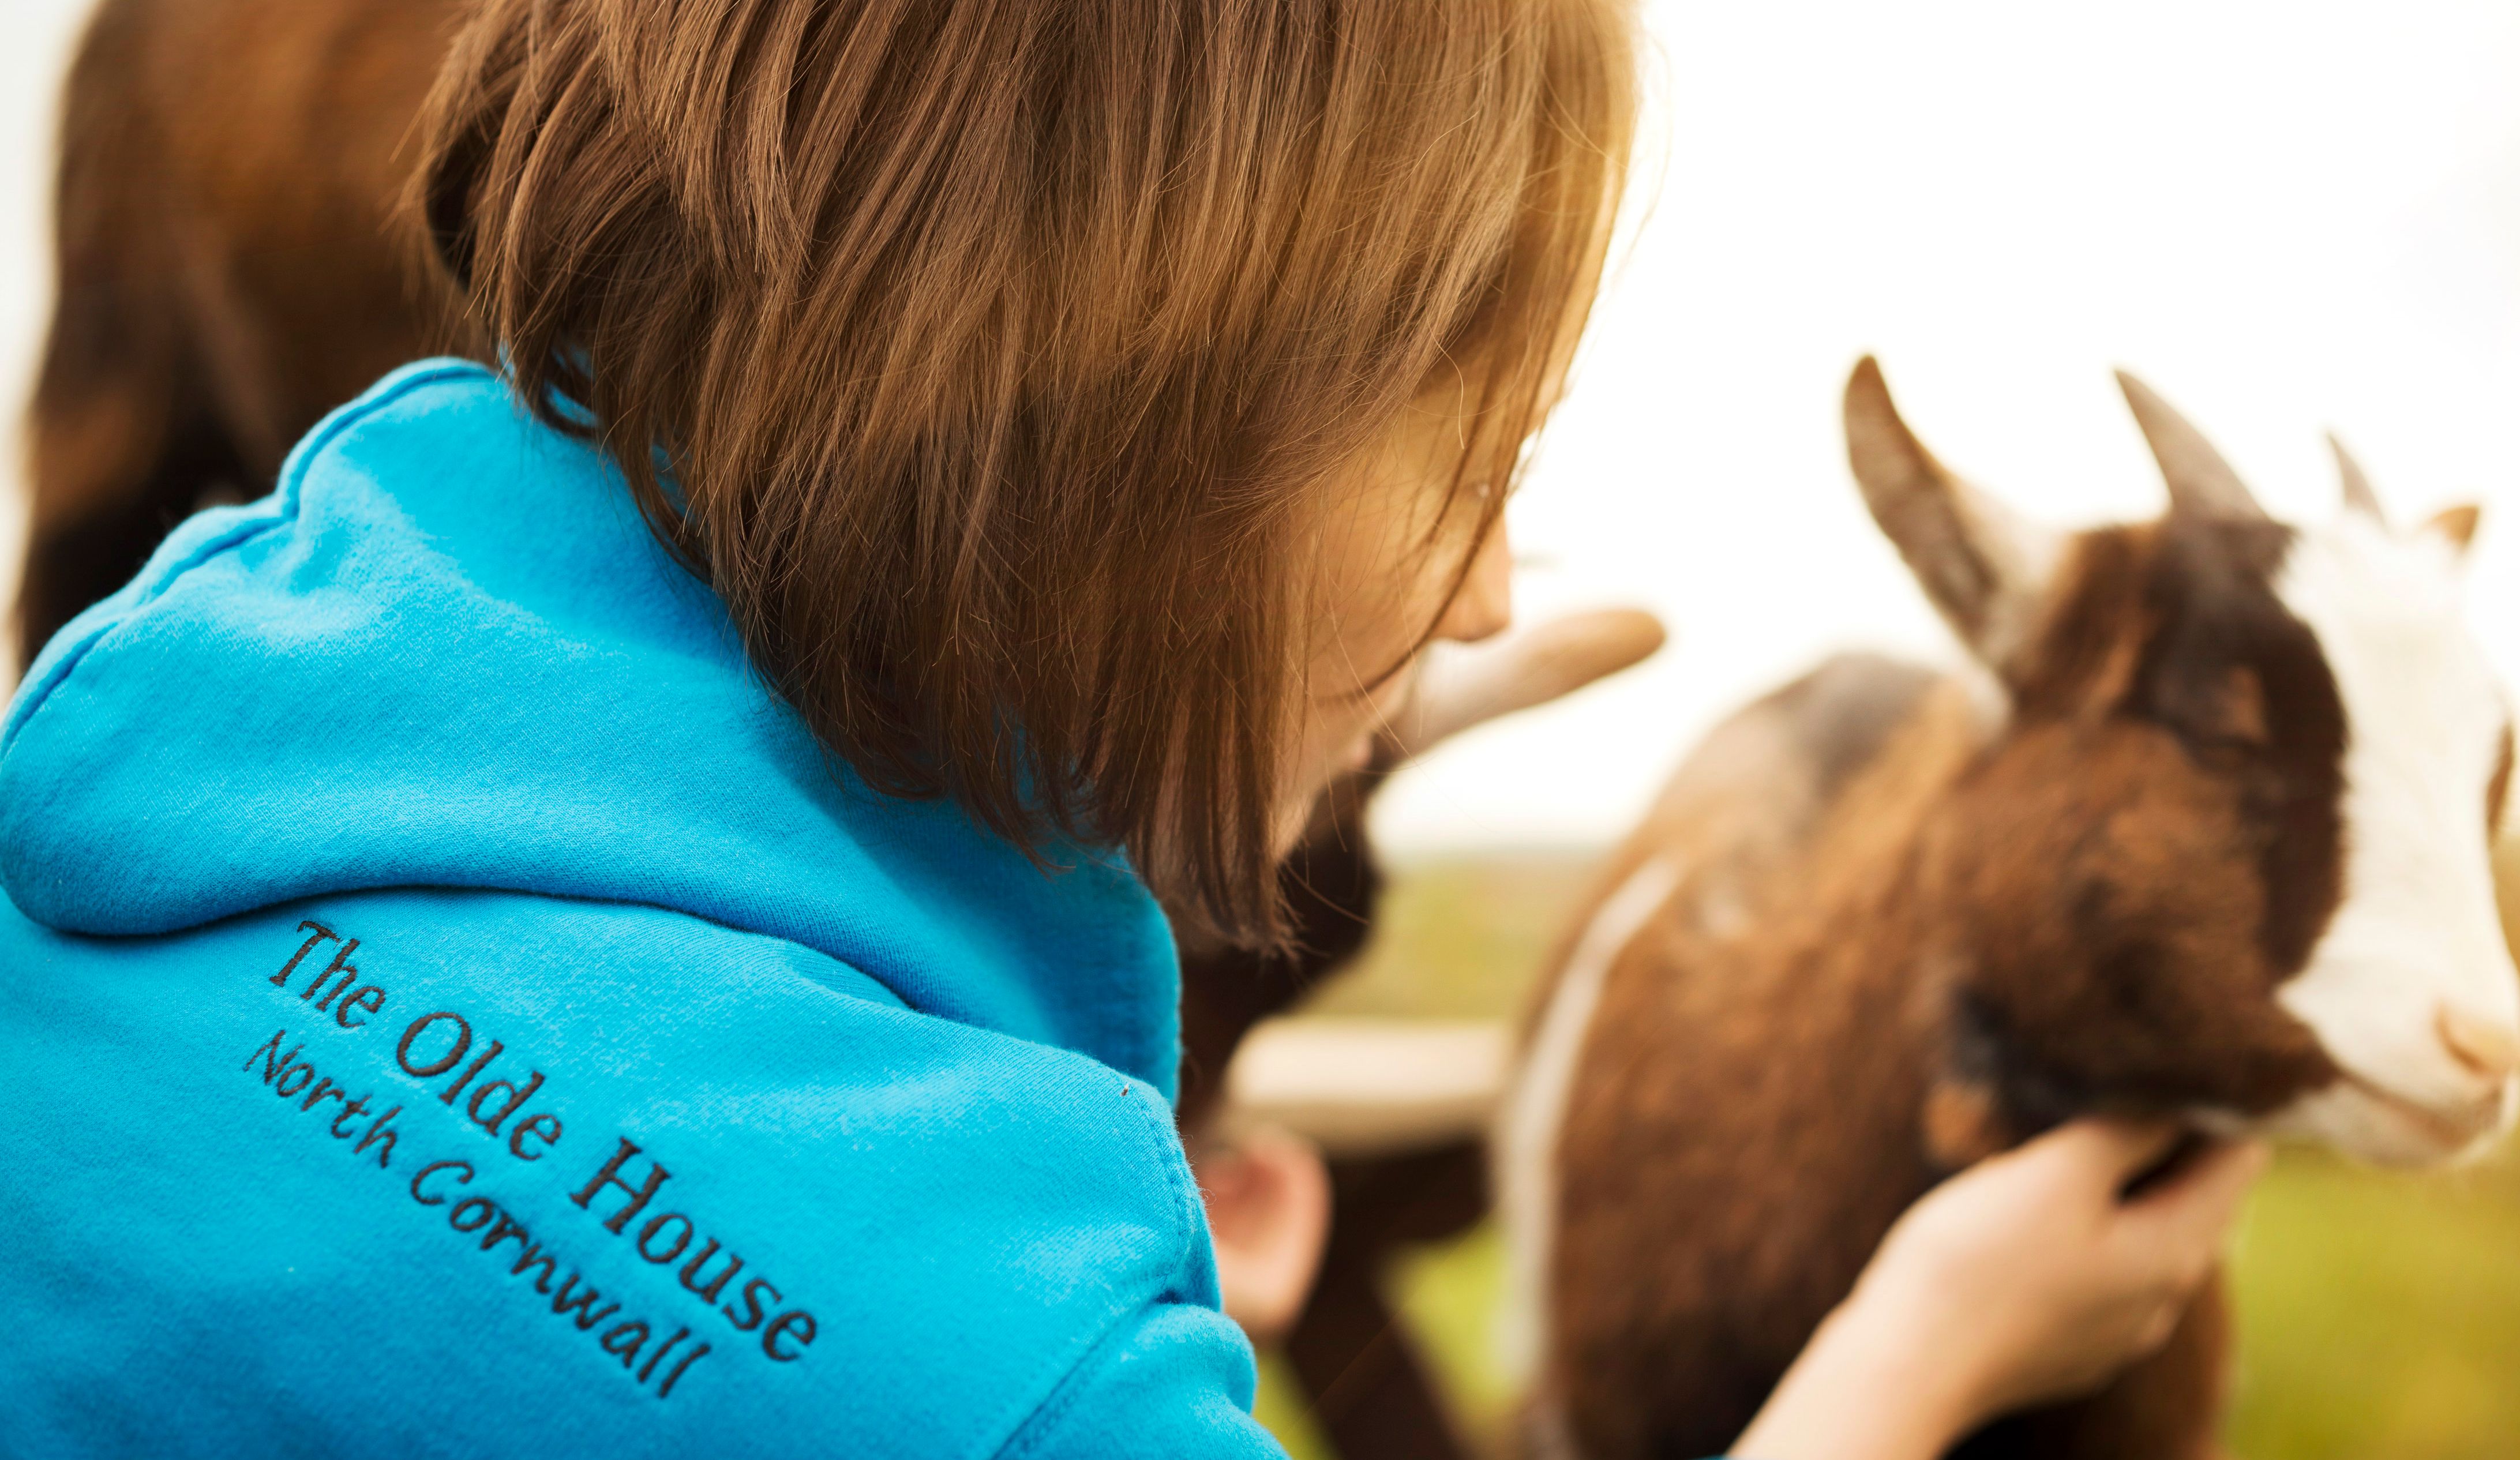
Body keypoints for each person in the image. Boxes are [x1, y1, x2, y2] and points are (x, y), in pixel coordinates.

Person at [0, 1, 2264, 1455]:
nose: (1484, 585)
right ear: (1174, 432)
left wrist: (1079, 1186)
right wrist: (1928, 1352)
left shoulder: (150, 752)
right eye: (1479, 457)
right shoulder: (1004, 1374)